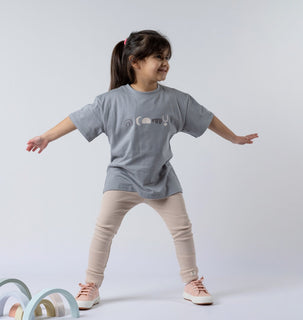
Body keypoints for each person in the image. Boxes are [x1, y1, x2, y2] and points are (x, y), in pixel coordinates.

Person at [26, 29, 259, 308]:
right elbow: (76, 119)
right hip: (121, 178)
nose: (165, 63)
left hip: (161, 178)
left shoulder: (176, 100)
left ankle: (191, 282)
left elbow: (207, 118)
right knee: (104, 230)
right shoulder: (110, 101)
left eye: (167, 57)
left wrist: (234, 137)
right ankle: (90, 285)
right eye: (158, 57)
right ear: (135, 62)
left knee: (182, 229)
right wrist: (46, 137)